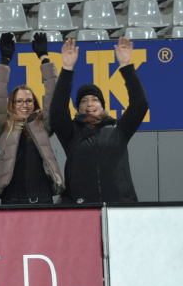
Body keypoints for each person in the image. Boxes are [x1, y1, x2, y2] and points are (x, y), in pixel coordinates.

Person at [50, 37, 148, 204]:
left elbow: (140, 104)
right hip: (81, 208)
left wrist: (126, 66)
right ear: (78, 108)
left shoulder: (119, 128)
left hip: (120, 205)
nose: (89, 104)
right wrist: (67, 69)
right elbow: (58, 110)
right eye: (83, 100)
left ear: (102, 105)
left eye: (95, 99)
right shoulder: (71, 132)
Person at [0, 33, 64, 205]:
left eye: (29, 100)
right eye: (19, 101)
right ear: (12, 104)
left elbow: (54, 95)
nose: (25, 104)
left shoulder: (43, 124)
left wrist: (44, 58)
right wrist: (4, 61)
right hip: (12, 199)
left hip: (44, 198)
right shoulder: (3, 126)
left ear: (35, 103)